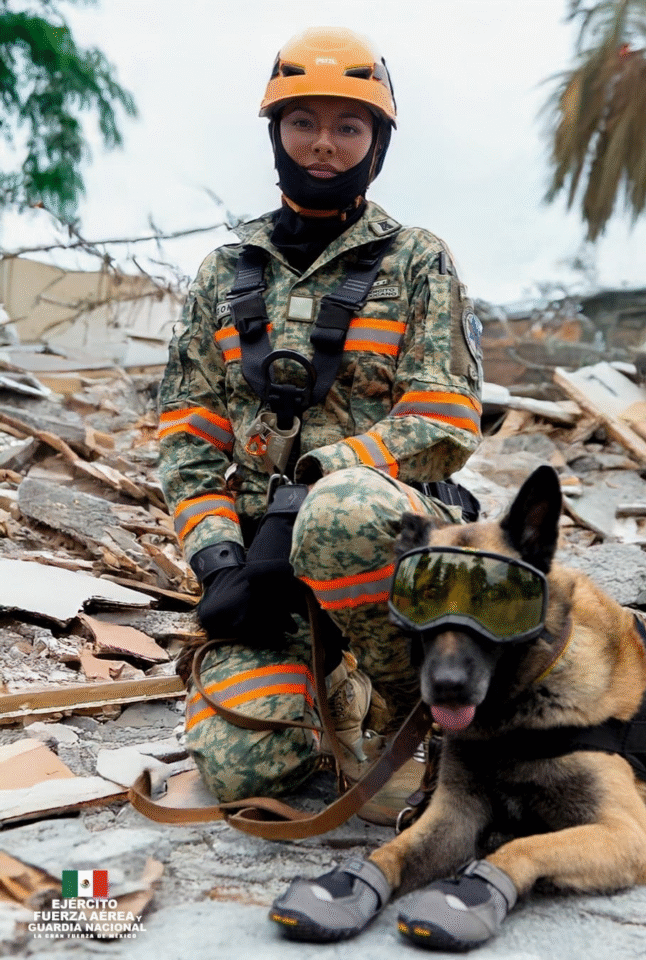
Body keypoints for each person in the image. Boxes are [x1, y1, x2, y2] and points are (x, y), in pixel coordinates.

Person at [156, 26, 483, 819]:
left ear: (378, 141)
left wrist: (311, 484)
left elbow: (446, 418)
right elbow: (188, 437)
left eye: (349, 126)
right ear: (276, 133)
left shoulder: (417, 261)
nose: (324, 145)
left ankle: (415, 710)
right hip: (265, 563)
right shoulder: (225, 273)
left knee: (341, 512)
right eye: (303, 122)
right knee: (241, 768)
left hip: (390, 537)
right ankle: (327, 689)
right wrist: (222, 561)